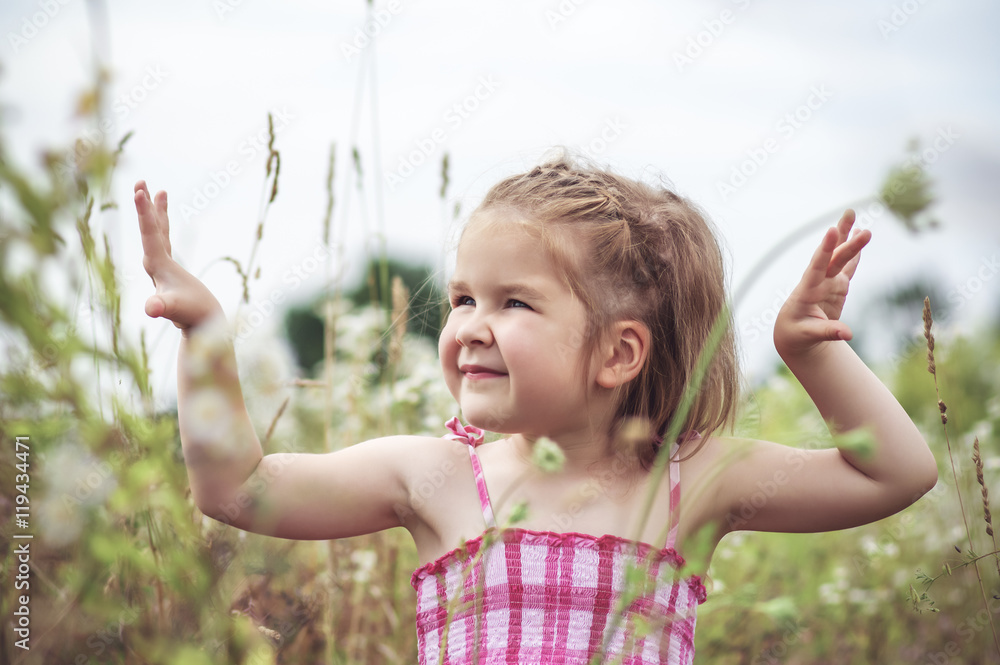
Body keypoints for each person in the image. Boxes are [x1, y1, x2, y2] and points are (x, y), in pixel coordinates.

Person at [134, 153, 938, 664]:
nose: (469, 326)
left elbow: (898, 472)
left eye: (514, 301)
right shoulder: (435, 475)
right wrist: (204, 334)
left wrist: (811, 350)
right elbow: (237, 488)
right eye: (461, 296)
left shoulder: (692, 480)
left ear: (619, 353)